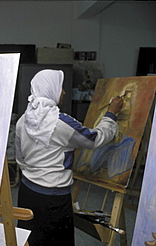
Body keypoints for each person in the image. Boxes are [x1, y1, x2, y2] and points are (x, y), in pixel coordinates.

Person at [15, 69, 123, 246]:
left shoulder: (23, 120)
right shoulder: (61, 123)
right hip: (54, 198)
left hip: (27, 191)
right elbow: (95, 139)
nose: (64, 92)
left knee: (30, 240)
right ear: (51, 89)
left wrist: (35, 171)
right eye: (61, 87)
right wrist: (111, 115)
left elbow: (20, 157)